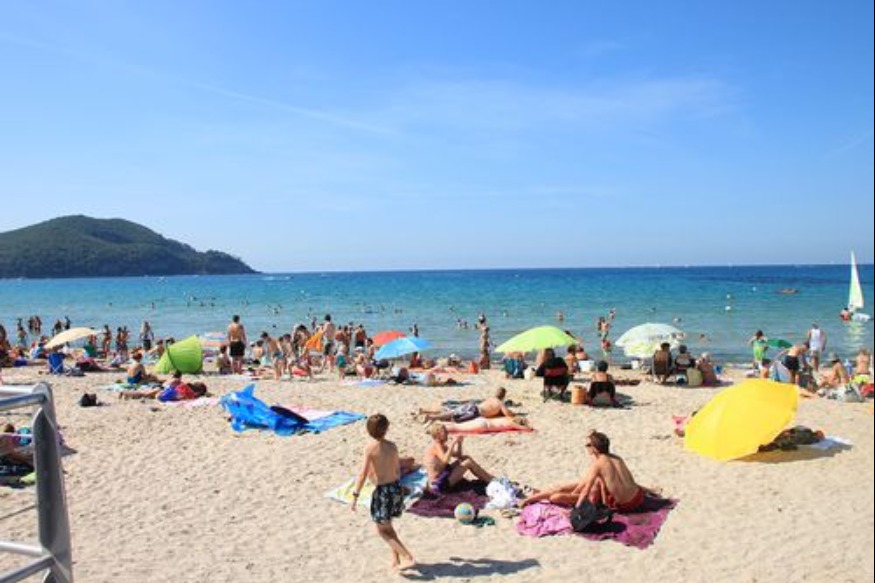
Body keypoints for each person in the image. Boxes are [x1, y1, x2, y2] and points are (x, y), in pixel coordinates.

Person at [519, 430, 653, 512]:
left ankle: (530, 499)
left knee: (556, 496)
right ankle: (536, 495)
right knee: (561, 487)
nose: (586, 447)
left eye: (588, 445)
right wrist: (650, 491)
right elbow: (629, 482)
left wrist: (577, 509)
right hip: (638, 497)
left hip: (624, 505)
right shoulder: (617, 458)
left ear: (594, 448)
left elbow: (585, 491)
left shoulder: (598, 464)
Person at [350, 414, 415, 573]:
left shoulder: (370, 448)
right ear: (386, 429)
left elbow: (362, 474)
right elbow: (397, 470)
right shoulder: (393, 446)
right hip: (395, 488)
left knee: (381, 530)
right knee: (388, 526)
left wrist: (355, 496)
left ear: (369, 431)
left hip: (383, 491)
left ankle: (408, 557)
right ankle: (396, 559)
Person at [424, 422, 494, 494]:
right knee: (468, 462)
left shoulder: (441, 445)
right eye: (444, 431)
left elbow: (459, 455)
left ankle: (487, 478)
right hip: (439, 484)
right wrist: (453, 444)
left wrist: (459, 443)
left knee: (465, 458)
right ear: (438, 434)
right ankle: (490, 480)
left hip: (443, 475)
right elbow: (444, 461)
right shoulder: (437, 446)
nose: (447, 433)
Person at [416, 387, 515, 423]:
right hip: (475, 411)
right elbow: (508, 415)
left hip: (472, 406)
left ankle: (427, 412)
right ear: (503, 396)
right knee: (453, 416)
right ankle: (431, 417)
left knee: (452, 412)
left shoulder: (490, 398)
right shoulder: (499, 402)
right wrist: (513, 414)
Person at [442, 416, 530, 433]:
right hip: (484, 425)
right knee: (457, 428)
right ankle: (438, 429)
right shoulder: (512, 423)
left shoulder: (508, 418)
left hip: (483, 420)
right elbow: (526, 429)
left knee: (458, 425)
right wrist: (528, 427)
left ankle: (440, 424)